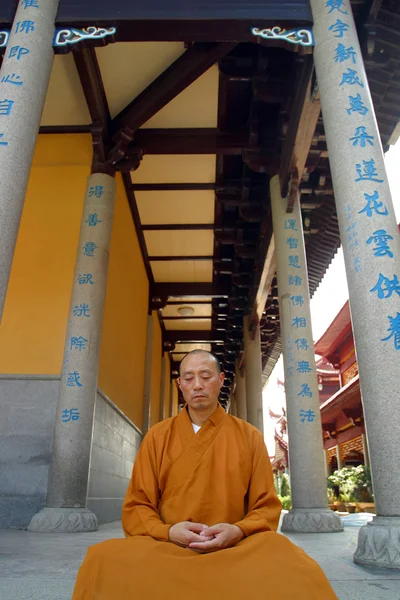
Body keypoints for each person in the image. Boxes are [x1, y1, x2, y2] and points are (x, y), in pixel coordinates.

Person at [72, 349, 338, 599]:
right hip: (170, 546)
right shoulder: (157, 437)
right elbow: (138, 504)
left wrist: (237, 530)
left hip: (233, 548)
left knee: (288, 558)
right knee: (103, 557)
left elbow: (265, 507)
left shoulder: (249, 437)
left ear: (220, 380)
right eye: (189, 378)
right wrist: (168, 532)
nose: (197, 384)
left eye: (206, 376)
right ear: (180, 385)